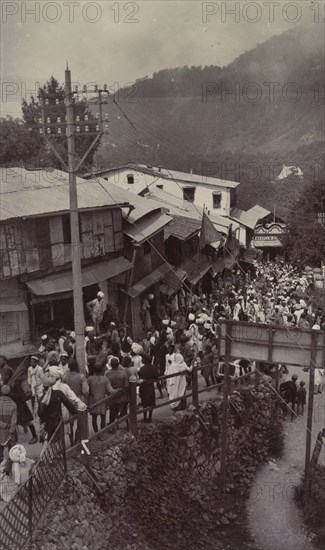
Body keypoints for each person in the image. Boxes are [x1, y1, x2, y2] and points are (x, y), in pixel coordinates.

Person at [39, 374, 78, 444]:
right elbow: (69, 405)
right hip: (58, 423)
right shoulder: (58, 394)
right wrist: (76, 413)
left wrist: (45, 419)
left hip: (47, 425)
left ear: (43, 386)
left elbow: (40, 413)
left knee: (48, 444)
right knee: (59, 443)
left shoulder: (42, 398)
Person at [63, 362, 89, 445]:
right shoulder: (81, 377)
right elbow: (85, 391)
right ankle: (76, 439)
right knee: (80, 421)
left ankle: (71, 442)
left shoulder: (65, 377)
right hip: (79, 399)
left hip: (68, 401)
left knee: (70, 421)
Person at [88, 364, 116, 433]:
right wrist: (119, 390)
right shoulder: (105, 379)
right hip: (103, 401)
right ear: (102, 370)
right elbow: (111, 391)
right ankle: (101, 434)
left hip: (93, 401)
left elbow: (86, 391)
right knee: (103, 418)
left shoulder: (90, 379)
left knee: (94, 419)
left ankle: (96, 433)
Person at [105, 357, 129, 424]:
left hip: (111, 396)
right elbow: (126, 386)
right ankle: (127, 425)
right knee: (123, 411)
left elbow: (105, 386)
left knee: (112, 411)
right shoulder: (123, 373)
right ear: (118, 364)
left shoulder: (107, 373)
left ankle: (112, 426)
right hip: (121, 396)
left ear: (110, 365)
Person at [138, 356, 159, 423]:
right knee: (151, 402)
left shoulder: (142, 369)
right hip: (151, 387)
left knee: (144, 403)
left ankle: (145, 417)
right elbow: (157, 376)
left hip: (144, 387)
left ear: (146, 360)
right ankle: (149, 417)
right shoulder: (154, 367)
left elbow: (140, 377)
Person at [0, 385, 17, 464]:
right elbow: (14, 421)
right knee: (11, 451)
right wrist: (11, 431)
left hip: (0, 431)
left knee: (0, 449)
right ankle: (10, 466)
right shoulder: (13, 404)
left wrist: (3, 425)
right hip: (10, 431)